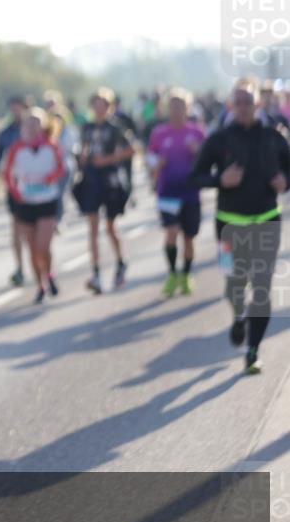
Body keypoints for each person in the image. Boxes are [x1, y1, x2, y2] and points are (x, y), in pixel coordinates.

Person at [189, 78, 289, 374]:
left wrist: (285, 182)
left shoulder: (275, 136)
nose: (244, 107)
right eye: (239, 102)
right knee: (234, 285)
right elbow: (195, 177)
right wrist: (219, 180)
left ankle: (252, 350)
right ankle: (237, 316)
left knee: (261, 287)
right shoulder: (219, 139)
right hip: (228, 225)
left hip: (266, 220)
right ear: (231, 106)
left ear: (258, 104)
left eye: (249, 102)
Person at [73, 87, 137, 294]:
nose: (99, 109)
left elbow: (131, 150)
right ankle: (96, 273)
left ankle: (120, 262)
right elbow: (83, 150)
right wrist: (83, 159)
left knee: (110, 227)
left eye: (103, 106)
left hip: (110, 180)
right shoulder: (87, 128)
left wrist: (108, 160)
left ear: (109, 107)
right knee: (92, 228)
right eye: (96, 105)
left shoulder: (116, 128)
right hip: (92, 179)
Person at [146, 88, 206, 297]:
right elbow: (149, 158)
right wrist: (156, 163)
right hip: (167, 192)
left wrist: (197, 152)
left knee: (188, 238)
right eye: (173, 107)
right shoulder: (159, 133)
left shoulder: (196, 132)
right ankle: (172, 273)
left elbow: (208, 159)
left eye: (180, 107)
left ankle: (186, 275)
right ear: (167, 109)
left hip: (190, 192)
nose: (176, 111)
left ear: (187, 109)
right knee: (171, 232)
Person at [3, 107, 65, 304]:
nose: (32, 126)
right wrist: (16, 192)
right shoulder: (16, 148)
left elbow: (61, 169)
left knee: (43, 245)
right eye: (29, 122)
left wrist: (49, 179)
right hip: (26, 201)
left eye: (36, 122)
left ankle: (49, 273)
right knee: (32, 248)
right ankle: (41, 284)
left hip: (47, 200)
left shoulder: (52, 146)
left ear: (43, 125)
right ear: (24, 126)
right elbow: (6, 174)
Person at [0, 95, 30, 287]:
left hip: (37, 187)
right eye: (13, 108)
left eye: (19, 107)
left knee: (33, 230)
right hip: (15, 186)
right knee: (16, 227)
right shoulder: (6, 133)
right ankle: (20, 267)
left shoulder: (36, 128)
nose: (16, 111)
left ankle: (44, 268)